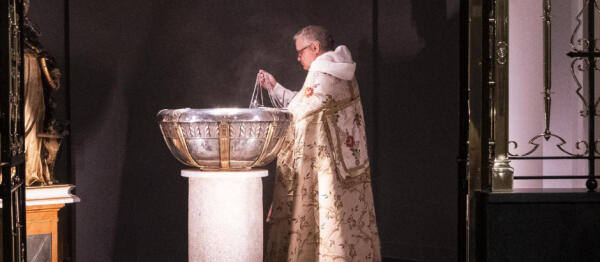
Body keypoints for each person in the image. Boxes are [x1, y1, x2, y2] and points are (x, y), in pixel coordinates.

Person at [258, 25, 381, 262]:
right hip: (345, 166)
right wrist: (274, 88)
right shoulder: (340, 69)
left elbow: (298, 112)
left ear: (314, 47)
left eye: (300, 51)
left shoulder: (322, 72)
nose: (298, 57)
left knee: (327, 223)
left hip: (328, 170)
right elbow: (306, 102)